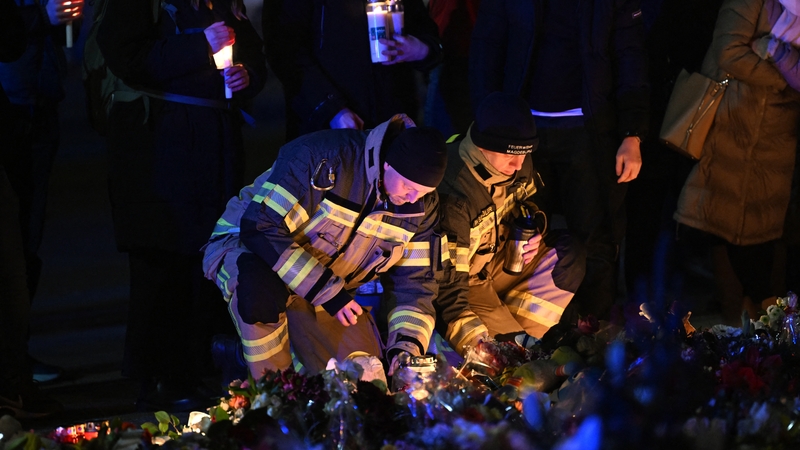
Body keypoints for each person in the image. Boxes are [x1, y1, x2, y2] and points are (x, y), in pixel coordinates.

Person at [96, 0, 268, 410]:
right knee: (163, 259)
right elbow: (125, 55)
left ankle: (195, 367)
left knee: (208, 252)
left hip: (213, 139)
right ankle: (159, 376)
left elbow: (252, 50)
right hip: (159, 143)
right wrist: (198, 45)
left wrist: (248, 76)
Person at [202, 117, 448, 377]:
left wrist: (406, 348)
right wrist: (328, 293)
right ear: (387, 164)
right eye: (409, 187)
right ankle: (272, 395)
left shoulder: (423, 206)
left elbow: (416, 285)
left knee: (360, 380)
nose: (413, 199)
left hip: (325, 283)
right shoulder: (325, 158)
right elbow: (260, 226)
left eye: (422, 192)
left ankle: (241, 356)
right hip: (251, 250)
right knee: (260, 293)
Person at [469, 0, 649, 323]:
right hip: (521, 132)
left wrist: (632, 133)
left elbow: (630, 56)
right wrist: (488, 125)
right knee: (521, 238)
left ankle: (594, 341)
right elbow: (487, 46)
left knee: (595, 238)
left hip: (588, 130)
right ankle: (529, 340)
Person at [674, 0, 800, 321]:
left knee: (764, 235)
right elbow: (728, 52)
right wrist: (784, 81)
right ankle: (734, 329)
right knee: (722, 225)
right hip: (732, 124)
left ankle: (762, 332)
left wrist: (779, 58)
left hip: (777, 138)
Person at [434, 93, 586, 356]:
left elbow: (529, 203)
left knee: (568, 254)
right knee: (506, 352)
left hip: (500, 262)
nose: (518, 166)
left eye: (525, 155)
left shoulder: (517, 157)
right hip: (466, 284)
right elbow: (449, 290)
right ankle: (513, 346)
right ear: (482, 146)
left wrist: (535, 226)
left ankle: (528, 343)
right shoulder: (456, 193)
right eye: (510, 157)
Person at [0, 0, 84, 384]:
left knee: (28, 239)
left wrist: (63, 21)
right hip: (12, 108)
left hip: (39, 105)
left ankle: (18, 351)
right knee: (12, 240)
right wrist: (41, 17)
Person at [0, 0, 62, 418]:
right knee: (9, 263)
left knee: (20, 252)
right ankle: (10, 380)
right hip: (15, 101)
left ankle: (13, 373)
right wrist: (39, 16)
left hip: (28, 107)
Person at [262, 0, 443, 140]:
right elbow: (285, 53)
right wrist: (333, 109)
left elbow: (427, 33)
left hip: (394, 125)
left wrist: (420, 49)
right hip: (327, 129)